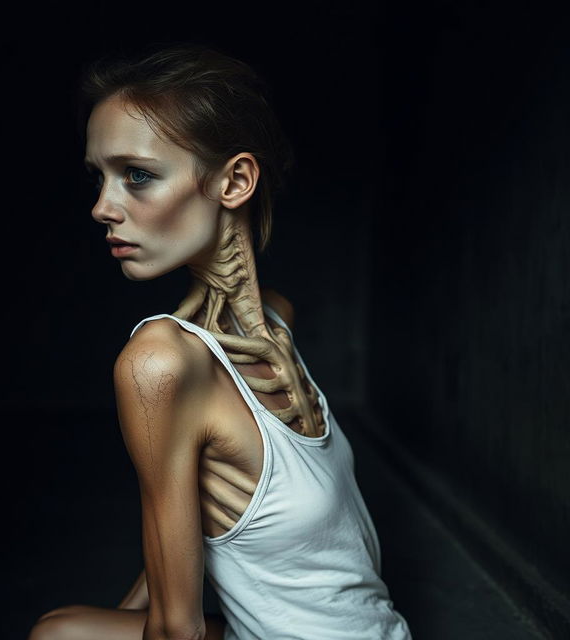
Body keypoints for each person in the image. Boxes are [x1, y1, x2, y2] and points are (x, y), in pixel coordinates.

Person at [28, 43, 412, 640]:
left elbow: (177, 630)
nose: (103, 207)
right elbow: (180, 544)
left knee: (57, 635)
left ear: (234, 180)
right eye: (99, 177)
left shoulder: (164, 360)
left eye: (137, 175)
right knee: (69, 631)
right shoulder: (251, 335)